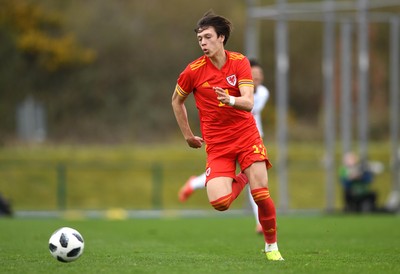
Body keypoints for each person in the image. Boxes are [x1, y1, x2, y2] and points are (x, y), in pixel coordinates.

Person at [171, 11, 283, 261]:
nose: (203, 42)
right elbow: (176, 101)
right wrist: (188, 135)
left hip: (246, 137)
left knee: (261, 194)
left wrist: (229, 99)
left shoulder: (239, 62)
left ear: (221, 38)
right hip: (218, 145)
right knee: (220, 203)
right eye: (200, 38)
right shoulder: (193, 71)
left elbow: (248, 102)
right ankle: (242, 177)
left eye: (208, 37)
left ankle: (271, 247)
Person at [178, 59, 270, 235]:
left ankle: (261, 223)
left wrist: (233, 100)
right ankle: (195, 183)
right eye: (254, 76)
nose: (256, 79)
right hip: (227, 138)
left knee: (257, 186)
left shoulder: (263, 93)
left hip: (250, 138)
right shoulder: (234, 83)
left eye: (259, 77)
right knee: (221, 180)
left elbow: (248, 107)